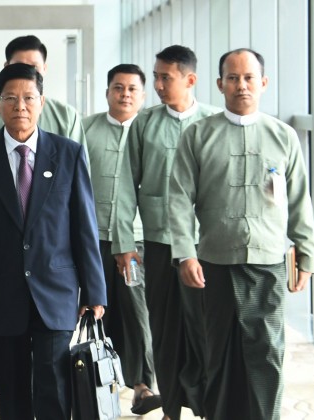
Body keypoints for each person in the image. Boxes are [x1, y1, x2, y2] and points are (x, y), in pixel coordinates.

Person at [0, 63, 106, 420]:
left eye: (29, 98)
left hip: (55, 290)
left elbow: (84, 226)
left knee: (54, 387)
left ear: (42, 102)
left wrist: (95, 291)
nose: (20, 106)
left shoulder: (68, 154)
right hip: (0, 291)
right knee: (12, 393)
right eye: (11, 98)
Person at [169, 48, 314, 420]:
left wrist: (307, 254)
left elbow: (299, 199)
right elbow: (178, 198)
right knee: (218, 353)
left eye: (249, 78)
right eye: (233, 78)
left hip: (268, 262)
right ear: (220, 84)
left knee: (267, 351)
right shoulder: (198, 135)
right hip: (214, 262)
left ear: (263, 83)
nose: (241, 86)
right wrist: (185, 253)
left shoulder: (283, 136)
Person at [115, 45, 220, 420]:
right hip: (158, 244)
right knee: (163, 329)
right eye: (156, 77)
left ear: (190, 79)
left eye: (165, 78)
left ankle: (207, 405)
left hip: (205, 246)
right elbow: (125, 187)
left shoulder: (213, 122)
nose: (157, 85)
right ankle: (172, 409)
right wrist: (124, 242)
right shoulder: (144, 124)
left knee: (205, 330)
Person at [80, 63, 161, 415]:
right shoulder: (86, 129)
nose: (125, 94)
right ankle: (94, 388)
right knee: (96, 310)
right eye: (118, 87)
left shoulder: (150, 134)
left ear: (142, 96)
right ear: (107, 92)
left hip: (135, 243)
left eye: (132, 89)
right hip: (92, 238)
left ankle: (143, 386)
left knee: (137, 312)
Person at [0, 35, 85, 144]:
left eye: (34, 67)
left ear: (44, 68)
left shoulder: (67, 116)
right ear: (6, 67)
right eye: (18, 66)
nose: (26, 73)